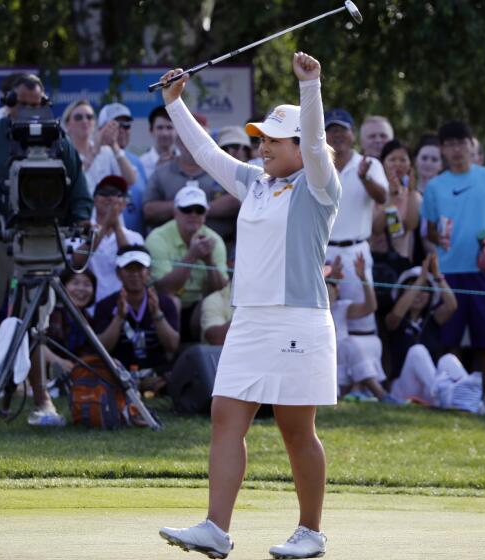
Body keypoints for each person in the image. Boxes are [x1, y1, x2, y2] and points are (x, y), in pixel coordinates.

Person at [157, 52, 339, 559]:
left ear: (298, 147)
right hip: (251, 319)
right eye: (260, 140)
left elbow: (319, 145)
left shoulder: (318, 186)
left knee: (294, 427)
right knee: (223, 415)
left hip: (298, 319)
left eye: (273, 141)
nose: (262, 148)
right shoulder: (255, 183)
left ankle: (310, 532)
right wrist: (176, 104)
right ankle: (216, 528)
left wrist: (310, 86)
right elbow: (209, 154)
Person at [0, 73, 92, 420]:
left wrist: (83, 218)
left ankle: (42, 401)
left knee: (35, 323)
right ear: (7, 101)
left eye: (34, 104)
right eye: (21, 103)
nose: (27, 110)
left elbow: (79, 188)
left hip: (39, 239)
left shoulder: (58, 139)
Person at [421, 121, 485, 385]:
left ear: (471, 144)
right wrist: (439, 237)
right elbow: (429, 231)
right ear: (443, 149)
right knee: (449, 338)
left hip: (482, 271)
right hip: (448, 273)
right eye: (450, 144)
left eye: (461, 143)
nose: (457, 149)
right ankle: (452, 392)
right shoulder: (435, 186)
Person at [324, 107, 387, 340]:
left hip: (356, 252)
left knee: (361, 324)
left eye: (343, 130)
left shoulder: (369, 164)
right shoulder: (316, 166)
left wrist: (365, 178)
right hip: (323, 251)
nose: (338, 135)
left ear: (353, 134)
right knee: (324, 322)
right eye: (332, 130)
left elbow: (382, 197)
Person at [146, 185, 228, 342]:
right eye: (187, 209)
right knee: (172, 300)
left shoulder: (215, 241)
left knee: (211, 303)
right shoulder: (157, 238)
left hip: (198, 306)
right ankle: (169, 356)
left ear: (205, 215)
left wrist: (209, 260)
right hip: (164, 305)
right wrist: (192, 255)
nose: (193, 214)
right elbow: (164, 288)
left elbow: (220, 291)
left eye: (199, 210)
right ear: (175, 212)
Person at [93, 245, 180, 371]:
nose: (134, 274)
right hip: (118, 375)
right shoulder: (105, 305)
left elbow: (173, 346)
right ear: (118, 273)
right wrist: (118, 318)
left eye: (140, 268)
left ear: (148, 272)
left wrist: (157, 314)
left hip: (157, 375)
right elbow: (102, 348)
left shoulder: (164, 303)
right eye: (128, 269)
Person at [386, 253, 459, 403]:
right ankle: (445, 396)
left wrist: (437, 275)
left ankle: (469, 400)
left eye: (424, 289)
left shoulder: (432, 319)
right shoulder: (395, 319)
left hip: (429, 389)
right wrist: (421, 279)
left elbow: (452, 305)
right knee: (417, 351)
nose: (419, 293)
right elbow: (395, 315)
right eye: (413, 287)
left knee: (449, 360)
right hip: (402, 388)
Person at [144, 133, 240, 243]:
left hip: (220, 246)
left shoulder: (222, 168)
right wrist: (186, 208)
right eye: (187, 139)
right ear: (178, 142)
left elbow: (237, 200)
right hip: (171, 251)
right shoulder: (161, 172)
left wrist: (199, 209)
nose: (192, 144)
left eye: (198, 140)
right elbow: (149, 210)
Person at [330, 253, 400, 403]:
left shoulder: (341, 307)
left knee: (362, 343)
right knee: (351, 344)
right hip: (333, 355)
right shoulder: (315, 309)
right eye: (331, 284)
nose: (336, 289)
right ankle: (380, 393)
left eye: (336, 285)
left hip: (345, 358)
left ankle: (358, 390)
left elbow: (370, 307)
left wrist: (363, 279)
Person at [79, 175, 144, 303]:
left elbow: (130, 261)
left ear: (124, 203)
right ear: (95, 199)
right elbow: (78, 262)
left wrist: (115, 226)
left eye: (117, 194)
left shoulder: (135, 237)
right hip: (87, 304)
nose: (111, 198)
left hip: (122, 305)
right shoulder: (82, 230)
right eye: (104, 193)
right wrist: (105, 226)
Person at [62, 100, 136, 193]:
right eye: (78, 117)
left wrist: (114, 145)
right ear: (67, 124)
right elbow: (69, 183)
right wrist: (93, 153)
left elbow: (131, 180)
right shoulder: (64, 153)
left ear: (94, 123)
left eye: (89, 117)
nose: (85, 121)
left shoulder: (106, 151)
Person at [98, 103, 148, 233]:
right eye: (116, 125)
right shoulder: (95, 159)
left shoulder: (137, 161)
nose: (122, 130)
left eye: (126, 126)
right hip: (104, 240)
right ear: (101, 129)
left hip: (135, 241)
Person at [370, 139, 422, 261]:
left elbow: (410, 225)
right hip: (375, 259)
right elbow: (376, 229)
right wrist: (392, 198)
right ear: (383, 163)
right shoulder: (374, 192)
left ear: (410, 165)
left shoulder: (413, 196)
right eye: (392, 159)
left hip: (401, 260)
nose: (397, 164)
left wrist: (411, 190)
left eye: (403, 160)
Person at [45, 268, 98, 371]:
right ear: (63, 286)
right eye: (75, 283)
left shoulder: (88, 319)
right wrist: (58, 361)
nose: (81, 289)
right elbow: (37, 344)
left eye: (87, 284)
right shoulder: (51, 313)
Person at [139, 105, 179, 180]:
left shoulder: (185, 160)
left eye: (169, 127)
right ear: (151, 131)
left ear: (177, 130)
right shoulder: (141, 164)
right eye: (160, 128)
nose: (165, 133)